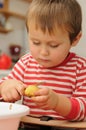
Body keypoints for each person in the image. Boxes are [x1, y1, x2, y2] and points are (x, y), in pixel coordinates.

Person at [0, 0, 86, 130]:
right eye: (35, 42)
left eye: (53, 45)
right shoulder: (25, 63)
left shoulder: (80, 68)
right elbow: (4, 93)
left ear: (75, 39)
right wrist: (6, 88)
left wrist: (57, 102)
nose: (43, 52)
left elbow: (83, 109)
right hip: (27, 126)